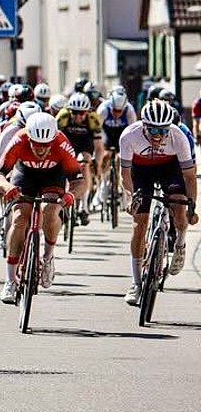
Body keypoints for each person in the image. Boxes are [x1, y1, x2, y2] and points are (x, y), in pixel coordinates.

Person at [0, 113, 80, 303]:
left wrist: (70, 195)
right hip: (25, 175)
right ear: (29, 138)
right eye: (36, 145)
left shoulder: (61, 143)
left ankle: (48, 257)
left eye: (45, 145)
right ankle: (9, 280)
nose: (40, 150)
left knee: (50, 209)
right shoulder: (19, 140)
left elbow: (79, 182)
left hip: (53, 176)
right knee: (19, 217)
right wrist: (7, 187)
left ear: (53, 139)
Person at [120, 101, 198, 305]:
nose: (158, 135)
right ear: (144, 125)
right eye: (153, 129)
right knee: (139, 225)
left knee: (179, 207)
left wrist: (192, 206)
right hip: (141, 171)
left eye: (163, 130)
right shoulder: (129, 135)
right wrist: (130, 197)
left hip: (169, 168)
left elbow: (190, 177)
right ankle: (136, 284)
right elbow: (125, 174)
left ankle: (180, 242)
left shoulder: (178, 136)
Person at [56, 92, 102, 224]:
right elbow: (55, 141)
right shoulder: (62, 118)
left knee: (84, 163)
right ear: (69, 111)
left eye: (82, 113)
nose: (78, 116)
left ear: (87, 112)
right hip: (67, 143)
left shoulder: (93, 120)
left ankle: (84, 206)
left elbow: (98, 147)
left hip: (84, 143)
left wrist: (97, 164)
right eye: (74, 112)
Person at [94, 89, 137, 208]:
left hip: (123, 133)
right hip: (106, 132)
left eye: (120, 111)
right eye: (115, 110)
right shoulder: (103, 109)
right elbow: (97, 130)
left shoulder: (129, 110)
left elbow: (133, 130)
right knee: (104, 155)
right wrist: (101, 147)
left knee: (122, 158)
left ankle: (122, 188)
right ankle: (103, 182)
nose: (117, 114)